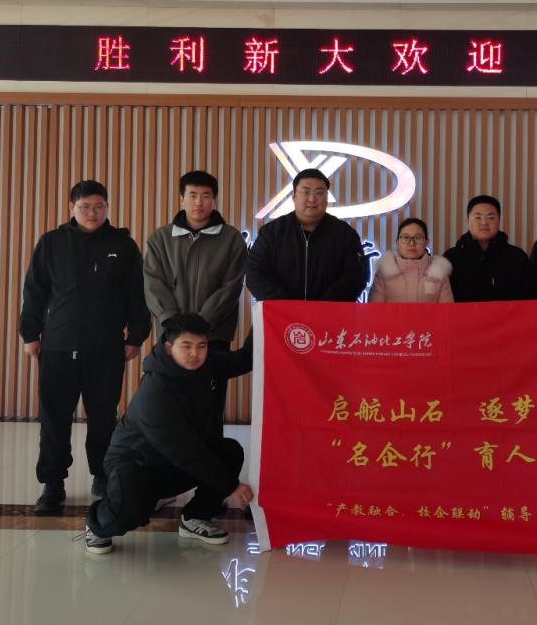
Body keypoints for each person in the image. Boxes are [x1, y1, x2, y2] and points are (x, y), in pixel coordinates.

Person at [20, 180, 151, 515]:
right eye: (85, 207)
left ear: (107, 207)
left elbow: (137, 293)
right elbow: (34, 290)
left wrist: (136, 336)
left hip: (105, 347)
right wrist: (30, 334)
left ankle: (102, 476)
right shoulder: (52, 242)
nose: (92, 213)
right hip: (58, 346)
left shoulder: (122, 245)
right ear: (71, 208)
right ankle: (53, 484)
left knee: (104, 418)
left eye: (99, 207)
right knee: (54, 419)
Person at [82, 314, 254, 554]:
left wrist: (265, 312)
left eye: (201, 346)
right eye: (186, 346)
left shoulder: (205, 363)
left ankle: (195, 518)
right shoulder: (155, 390)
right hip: (136, 464)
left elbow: (244, 360)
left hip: (172, 462)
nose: (195, 354)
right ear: (168, 347)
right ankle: (97, 525)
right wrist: (230, 486)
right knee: (129, 511)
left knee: (229, 452)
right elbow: (183, 450)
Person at [143, 170, 248, 430]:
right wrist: (172, 322)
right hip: (172, 336)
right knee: (169, 403)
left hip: (212, 336)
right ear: (182, 198)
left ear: (214, 199)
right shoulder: (161, 238)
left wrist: (201, 323)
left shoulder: (231, 238)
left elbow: (231, 286)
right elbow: (153, 282)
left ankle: (209, 455)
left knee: (210, 404)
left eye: (205, 195)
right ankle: (171, 453)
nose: (198, 202)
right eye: (192, 195)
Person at [246, 168, 369, 302]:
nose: (312, 199)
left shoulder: (345, 234)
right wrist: (289, 305)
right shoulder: (271, 232)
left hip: (330, 313)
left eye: (319, 193)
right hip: (280, 312)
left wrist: (320, 307)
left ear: (327, 198)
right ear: (294, 196)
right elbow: (255, 274)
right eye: (306, 192)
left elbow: (356, 276)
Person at [443, 195, 531, 302]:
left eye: (491, 218)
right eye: (478, 217)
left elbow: (529, 299)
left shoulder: (517, 257)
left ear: (499, 220)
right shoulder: (451, 258)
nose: (484, 223)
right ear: (468, 221)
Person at [369, 218, 453, 303]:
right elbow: (375, 309)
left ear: (426, 242)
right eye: (405, 237)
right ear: (397, 242)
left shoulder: (439, 272)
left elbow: (447, 309)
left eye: (418, 238)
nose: (412, 243)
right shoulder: (384, 273)